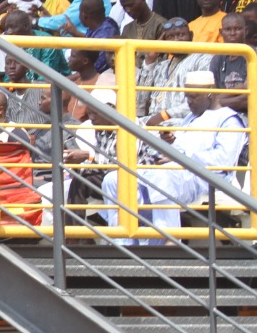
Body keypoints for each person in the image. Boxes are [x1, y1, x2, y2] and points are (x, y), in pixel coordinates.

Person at [101, 71, 247, 236]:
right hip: (176, 171)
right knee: (114, 179)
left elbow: (223, 161)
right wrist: (168, 144)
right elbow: (177, 150)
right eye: (187, 97)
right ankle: (121, 240)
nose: (189, 102)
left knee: (163, 176)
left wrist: (182, 156)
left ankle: (167, 240)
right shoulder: (191, 118)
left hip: (204, 177)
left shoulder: (229, 119)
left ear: (210, 94)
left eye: (194, 97)